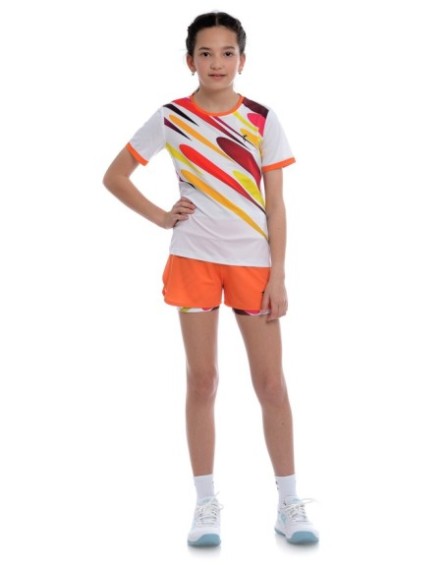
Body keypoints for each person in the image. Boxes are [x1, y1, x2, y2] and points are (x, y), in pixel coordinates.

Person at [103, 11, 318, 547]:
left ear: (242, 60)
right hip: (193, 259)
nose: (216, 63)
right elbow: (115, 176)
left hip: (253, 265)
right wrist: (161, 217)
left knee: (271, 384)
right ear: (190, 60)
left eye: (227, 53)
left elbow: (277, 205)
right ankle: (205, 505)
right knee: (202, 381)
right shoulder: (172, 117)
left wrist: (279, 275)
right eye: (205, 53)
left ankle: (289, 502)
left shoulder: (263, 119)